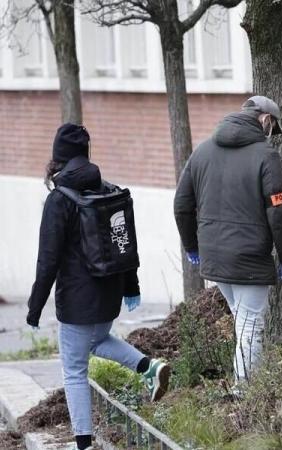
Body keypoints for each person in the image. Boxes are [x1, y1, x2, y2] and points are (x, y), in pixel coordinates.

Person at [27, 124, 170, 450]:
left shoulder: (59, 201)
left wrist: (35, 308)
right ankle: (149, 366)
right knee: (98, 339)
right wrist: (131, 287)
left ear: (57, 158)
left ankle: (83, 444)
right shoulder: (109, 191)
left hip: (77, 301)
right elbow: (127, 244)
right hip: (109, 294)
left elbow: (47, 260)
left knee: (74, 371)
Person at [174, 95, 282, 384]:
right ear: (266, 120)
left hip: (214, 256)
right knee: (251, 327)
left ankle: (247, 387)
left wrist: (192, 246)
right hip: (249, 257)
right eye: (272, 127)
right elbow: (279, 211)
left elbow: (181, 204)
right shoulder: (266, 155)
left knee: (243, 323)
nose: (271, 134)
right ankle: (245, 396)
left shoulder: (202, 151)